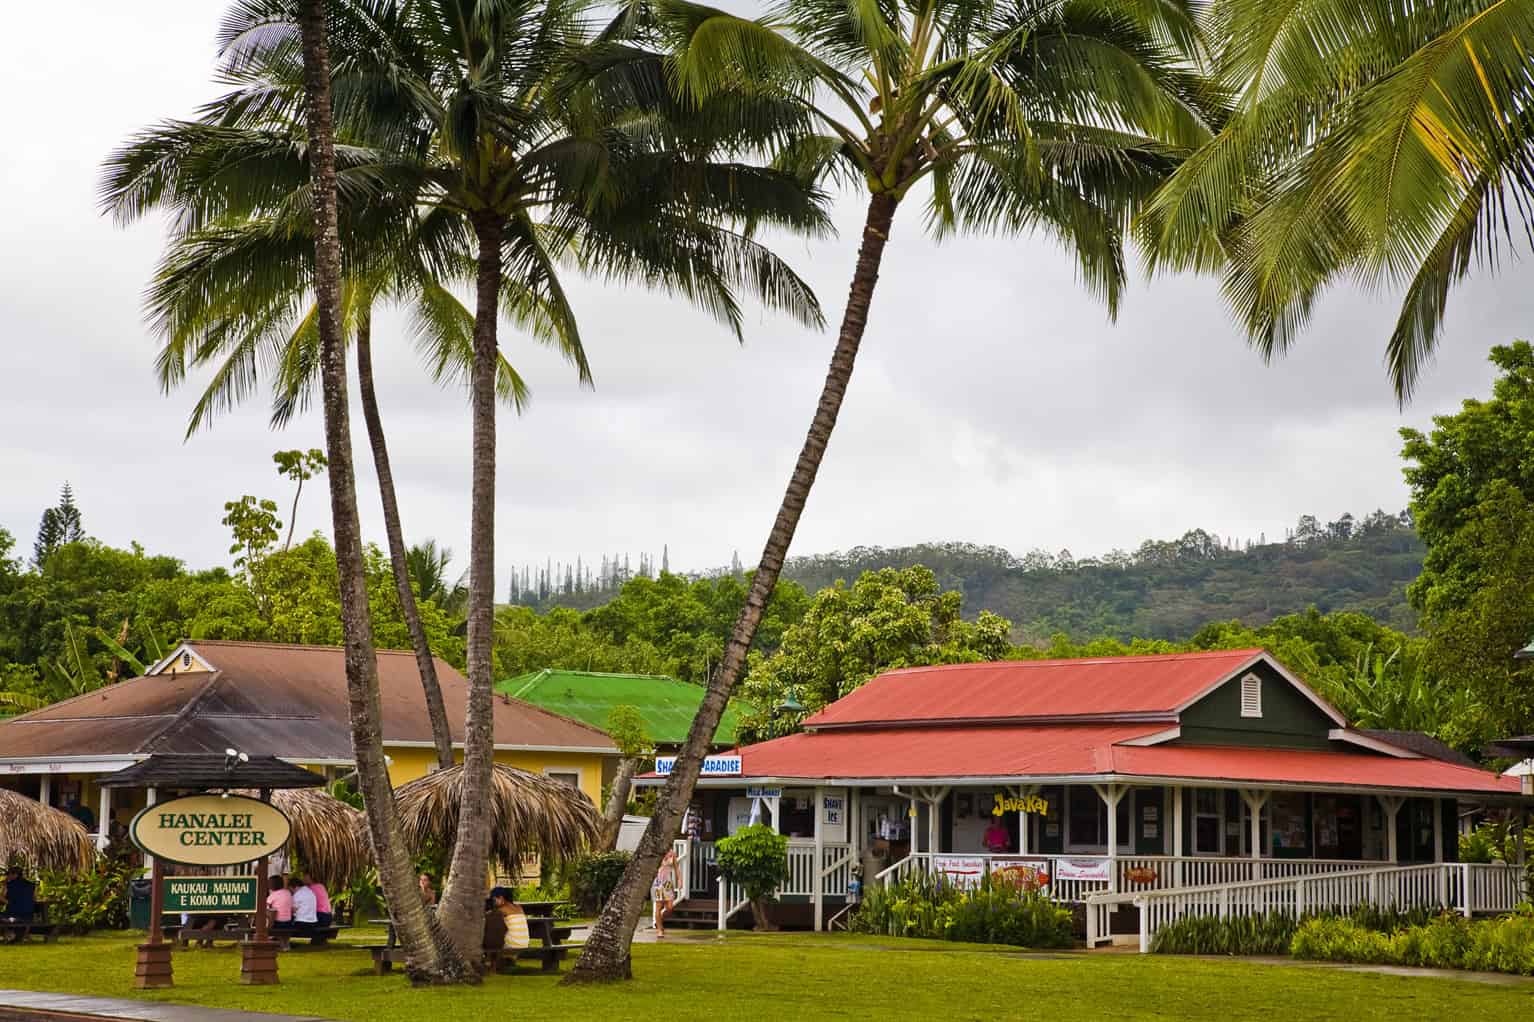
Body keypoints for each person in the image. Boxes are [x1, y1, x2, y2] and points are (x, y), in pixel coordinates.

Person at [490, 887, 529, 953]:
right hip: (524, 944)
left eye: (494, 900)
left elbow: (490, 917)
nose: (494, 903)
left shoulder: (502, 910)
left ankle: (491, 960)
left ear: (501, 898)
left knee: (493, 941)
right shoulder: (519, 907)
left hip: (512, 945)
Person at [651, 848, 678, 938]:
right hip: (657, 882)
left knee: (670, 907)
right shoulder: (657, 852)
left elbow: (676, 869)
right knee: (658, 906)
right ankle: (659, 930)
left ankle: (659, 920)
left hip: (668, 883)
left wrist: (680, 880)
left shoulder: (672, 853)